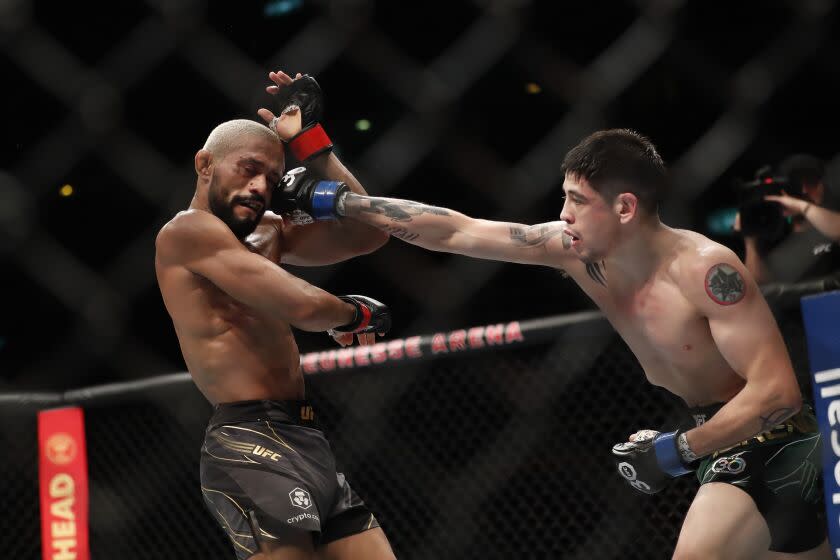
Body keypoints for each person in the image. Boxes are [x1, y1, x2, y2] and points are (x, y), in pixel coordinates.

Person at [281, 128, 829, 559]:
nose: (563, 214)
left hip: (779, 443)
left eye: (577, 200)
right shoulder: (577, 253)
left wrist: (676, 450)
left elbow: (778, 393)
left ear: (624, 208)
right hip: (717, 440)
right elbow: (455, 230)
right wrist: (342, 202)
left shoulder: (706, 270)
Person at [154, 70, 396, 560]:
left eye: (270, 175)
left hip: (305, 434)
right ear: (205, 165)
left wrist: (313, 145)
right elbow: (301, 304)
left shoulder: (269, 230)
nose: (259, 186)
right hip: (248, 437)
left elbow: (372, 231)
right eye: (246, 168)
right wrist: (352, 313)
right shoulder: (185, 234)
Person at [737, 154, 840, 284]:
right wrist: (750, 240)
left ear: (822, 184)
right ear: (784, 188)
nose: (804, 190)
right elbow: (760, 285)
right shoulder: (773, 227)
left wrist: (801, 206)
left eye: (811, 183)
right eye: (796, 184)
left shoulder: (834, 211)